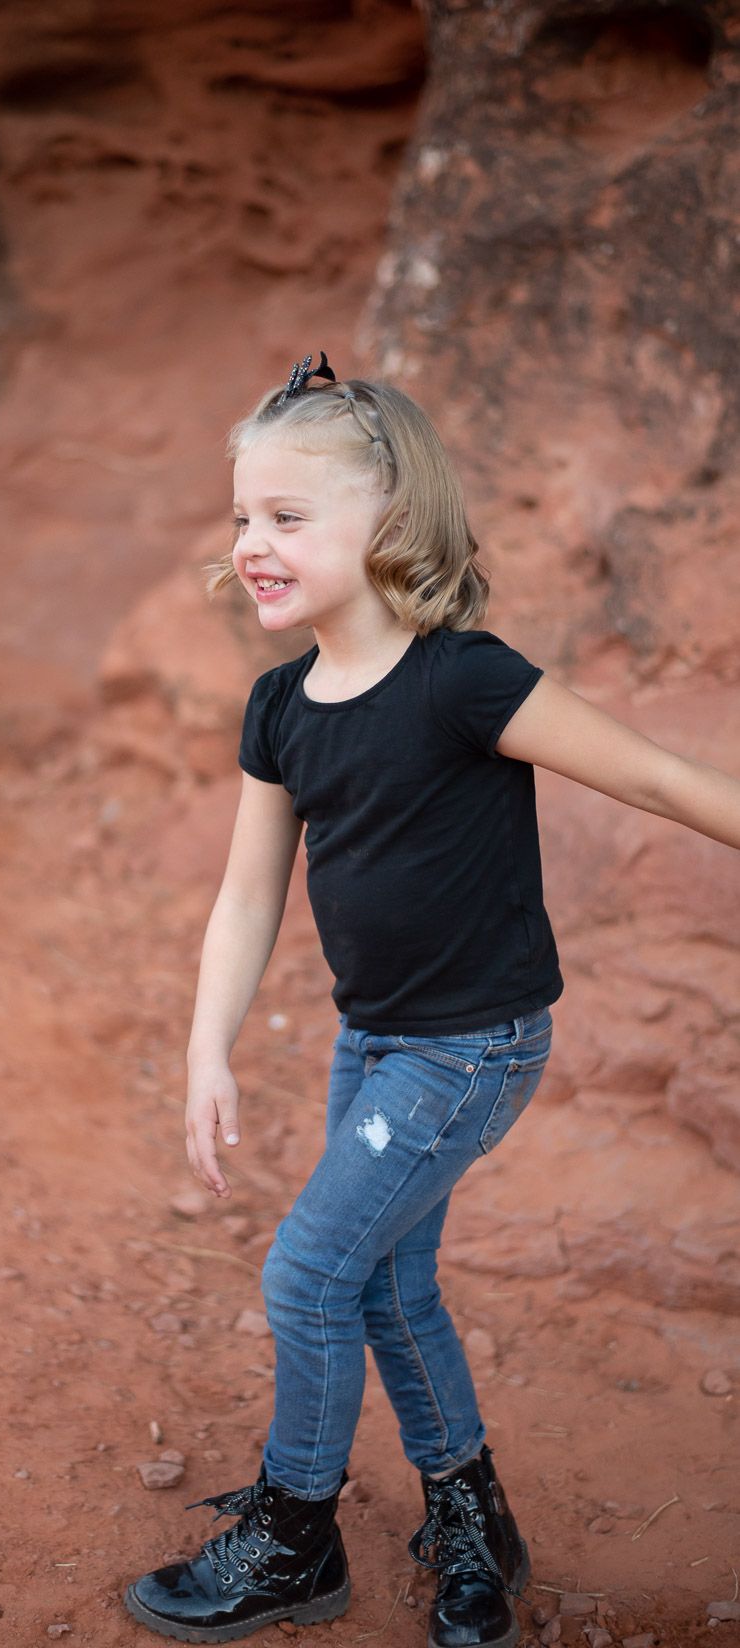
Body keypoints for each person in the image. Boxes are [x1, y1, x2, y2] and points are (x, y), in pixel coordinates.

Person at [123, 353, 740, 1648]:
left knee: (306, 1274)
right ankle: (476, 1520)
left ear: (389, 524)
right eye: (241, 516)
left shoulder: (463, 681)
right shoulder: (281, 708)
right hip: (377, 1040)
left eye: (289, 518)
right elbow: (247, 901)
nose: (252, 544)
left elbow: (659, 780)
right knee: (391, 1288)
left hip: (473, 1049)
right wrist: (205, 1049)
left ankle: (297, 1538)